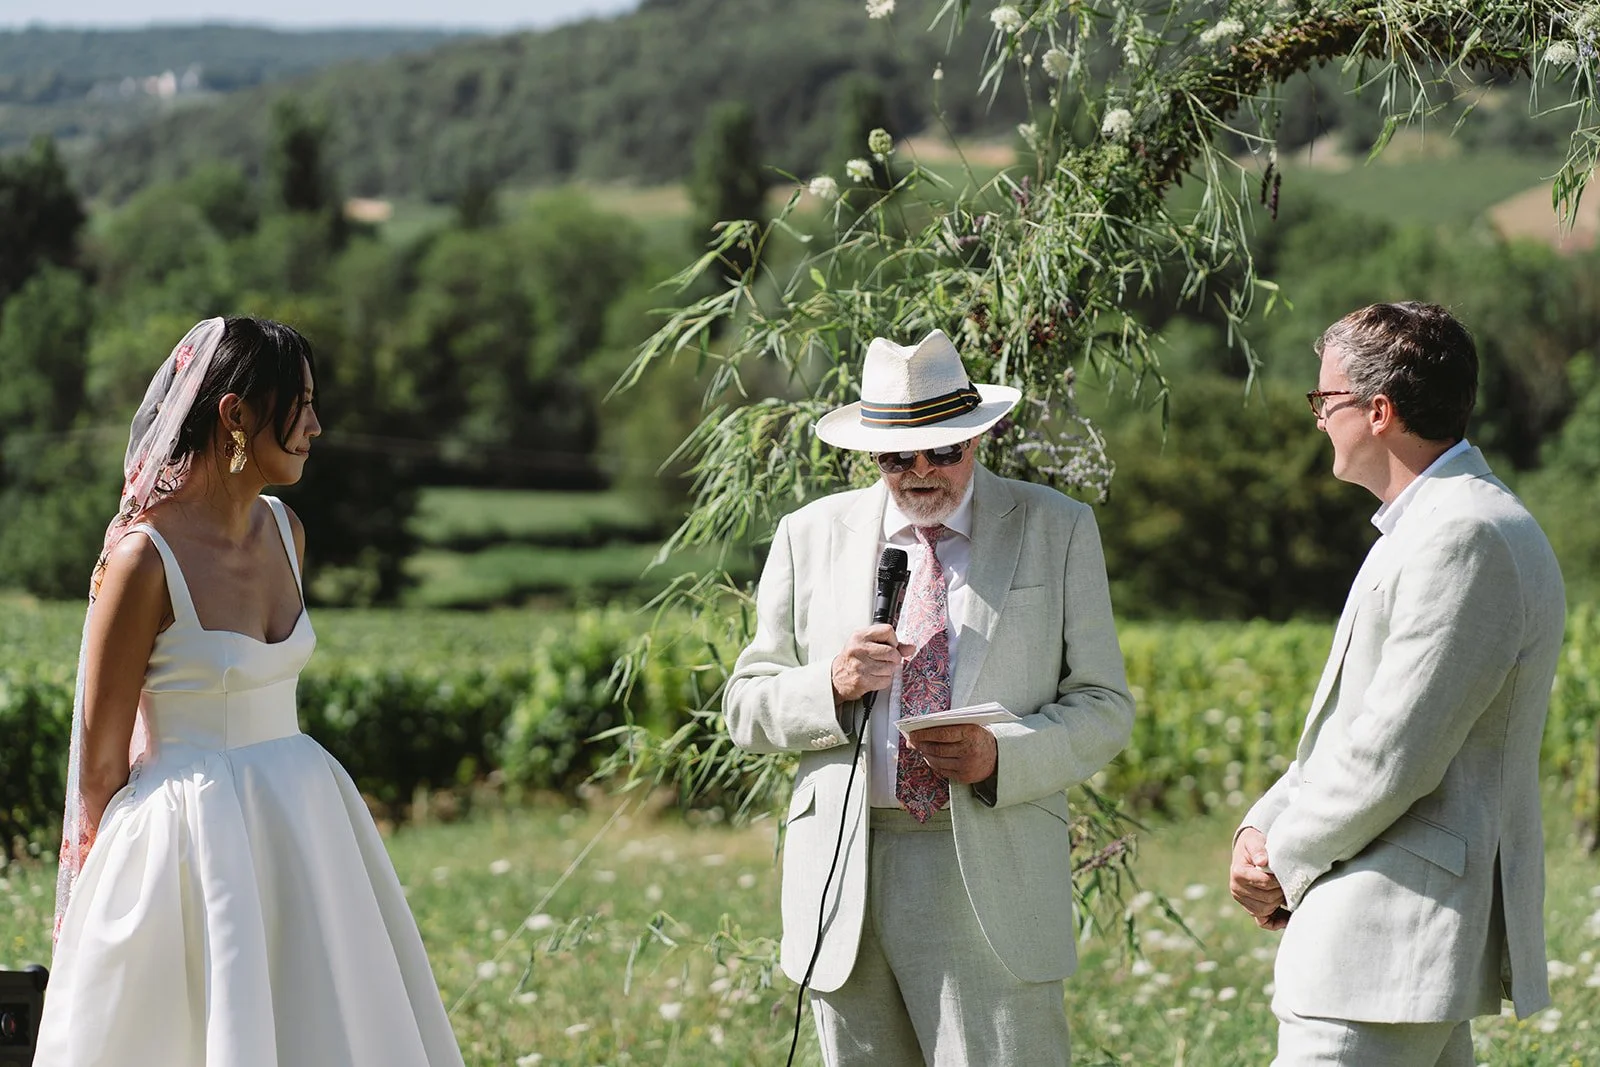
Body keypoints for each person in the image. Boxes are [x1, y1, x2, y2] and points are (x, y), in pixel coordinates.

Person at [36, 318, 465, 1066]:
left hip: (306, 817)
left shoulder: (286, 531)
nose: (316, 426)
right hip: (190, 840)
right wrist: (114, 899)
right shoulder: (143, 560)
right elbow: (98, 767)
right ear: (235, 414)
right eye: (301, 405)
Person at [724, 328, 1135, 1066]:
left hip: (990, 864)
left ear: (978, 437)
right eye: (896, 457)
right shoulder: (806, 534)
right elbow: (745, 707)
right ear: (871, 454)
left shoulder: (1058, 526)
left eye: (942, 450)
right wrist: (831, 684)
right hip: (846, 873)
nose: (920, 471)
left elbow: (1104, 705)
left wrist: (1000, 757)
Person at [1229, 302, 1566, 1066]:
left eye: (1325, 399)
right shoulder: (1435, 523)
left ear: (1379, 411)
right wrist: (1260, 824)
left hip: (1382, 942)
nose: (1319, 418)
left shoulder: (1464, 534)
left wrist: (1280, 859)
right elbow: (1353, 725)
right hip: (1396, 944)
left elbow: (1393, 753)